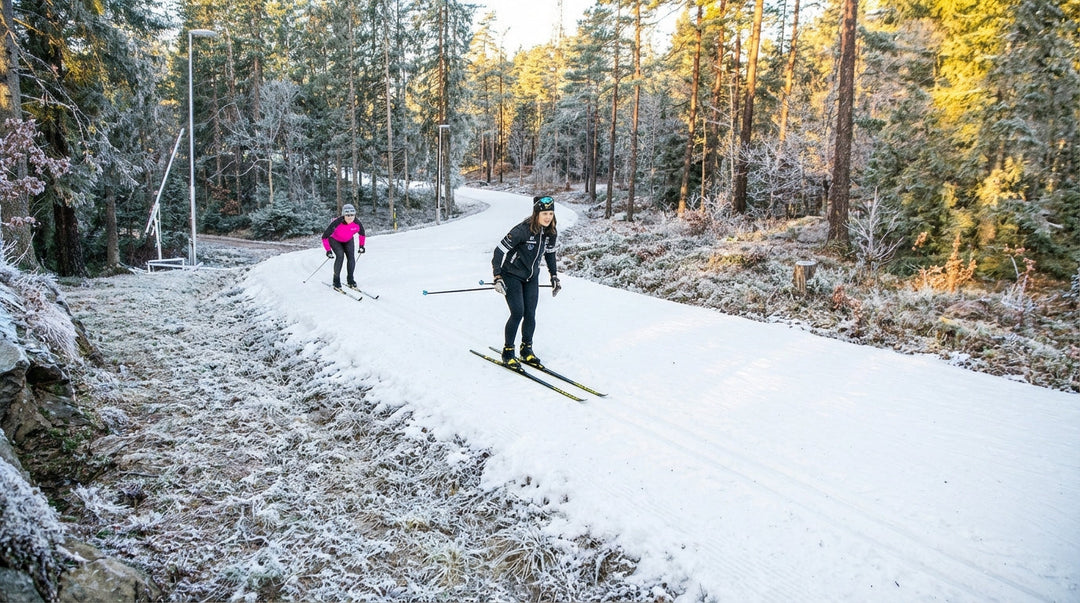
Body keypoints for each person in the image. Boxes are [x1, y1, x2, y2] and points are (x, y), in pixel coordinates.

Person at [491, 195, 563, 368]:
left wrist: (554, 276)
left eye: (551, 214)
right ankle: (508, 352)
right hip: (512, 275)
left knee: (530, 313)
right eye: (544, 213)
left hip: (531, 277)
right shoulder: (521, 230)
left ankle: (526, 350)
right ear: (536, 213)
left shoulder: (550, 232)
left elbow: (550, 254)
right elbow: (499, 251)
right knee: (518, 313)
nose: (548, 217)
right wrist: (497, 277)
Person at [321, 203, 365, 289]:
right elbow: (324, 237)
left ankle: (350, 279)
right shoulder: (336, 223)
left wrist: (361, 246)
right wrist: (328, 250)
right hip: (335, 240)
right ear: (343, 215)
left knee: (351, 257)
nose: (350, 217)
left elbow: (362, 234)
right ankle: (336, 279)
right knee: (340, 256)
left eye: (352, 215)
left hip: (348, 240)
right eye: (347, 215)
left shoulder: (357, 223)